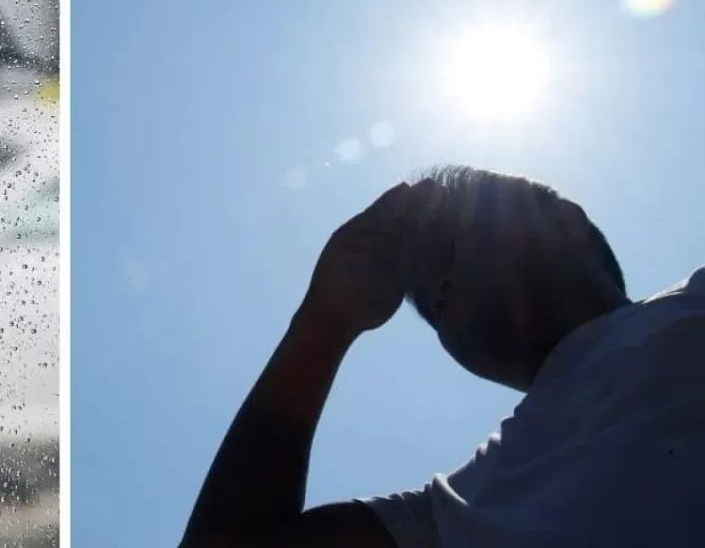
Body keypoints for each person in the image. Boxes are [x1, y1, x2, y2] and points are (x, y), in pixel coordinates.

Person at [180, 165, 705, 547]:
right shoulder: (460, 507)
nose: (444, 290)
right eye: (431, 305)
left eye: (456, 248)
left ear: (564, 219)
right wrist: (324, 324)